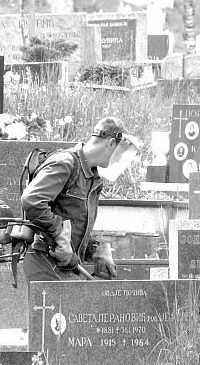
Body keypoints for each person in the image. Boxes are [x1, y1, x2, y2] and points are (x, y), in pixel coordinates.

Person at [20, 117, 141, 282]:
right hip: (45, 262)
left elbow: (75, 226)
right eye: (121, 152)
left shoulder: (93, 179)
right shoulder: (65, 162)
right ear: (111, 143)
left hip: (65, 266)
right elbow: (32, 200)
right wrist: (60, 237)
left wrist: (98, 250)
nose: (120, 159)